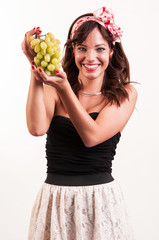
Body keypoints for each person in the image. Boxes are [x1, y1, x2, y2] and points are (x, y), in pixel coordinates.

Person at [22, 6, 137, 240]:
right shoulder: (54, 88)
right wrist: (35, 71)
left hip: (100, 201)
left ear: (112, 52)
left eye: (100, 49)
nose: (90, 57)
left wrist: (64, 88)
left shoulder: (125, 94)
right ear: (73, 51)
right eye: (82, 48)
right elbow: (36, 128)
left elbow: (91, 137)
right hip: (55, 200)